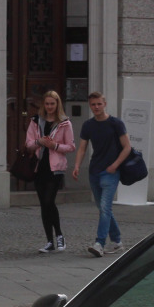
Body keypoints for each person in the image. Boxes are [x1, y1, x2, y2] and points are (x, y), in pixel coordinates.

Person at [71, 91, 132, 257]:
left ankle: (99, 243)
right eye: (93, 104)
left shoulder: (115, 123)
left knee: (105, 207)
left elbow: (127, 147)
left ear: (104, 104)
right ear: (90, 106)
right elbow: (82, 148)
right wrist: (77, 165)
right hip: (94, 171)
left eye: (99, 104)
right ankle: (118, 242)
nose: (96, 107)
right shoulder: (88, 125)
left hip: (111, 172)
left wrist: (115, 165)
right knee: (102, 208)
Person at [25, 90, 75, 253]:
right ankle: (49, 241)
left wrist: (55, 146)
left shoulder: (64, 123)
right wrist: (39, 142)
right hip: (40, 167)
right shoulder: (36, 121)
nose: (49, 107)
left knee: (49, 201)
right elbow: (29, 143)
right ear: (43, 105)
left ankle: (59, 235)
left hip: (56, 168)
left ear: (57, 104)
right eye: (47, 104)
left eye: (52, 104)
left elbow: (71, 146)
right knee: (43, 205)